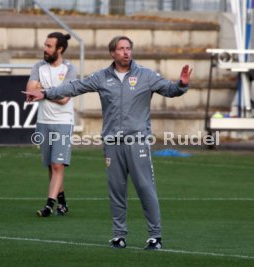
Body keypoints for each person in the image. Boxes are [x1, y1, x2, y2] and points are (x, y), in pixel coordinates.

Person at [24, 35, 192, 249]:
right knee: (116, 189)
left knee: (145, 188)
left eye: (128, 48)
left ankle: (155, 236)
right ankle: (119, 234)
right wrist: (46, 93)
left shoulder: (146, 76)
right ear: (112, 52)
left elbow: (170, 90)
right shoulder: (102, 77)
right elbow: (74, 87)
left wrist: (181, 85)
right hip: (112, 143)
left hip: (137, 141)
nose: (126, 52)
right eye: (121, 48)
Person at [26, 32, 77, 217]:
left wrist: (44, 91)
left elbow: (64, 99)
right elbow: (30, 91)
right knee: (51, 165)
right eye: (45, 45)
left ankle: (49, 205)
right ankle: (62, 202)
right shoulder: (39, 66)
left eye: (49, 46)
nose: (45, 49)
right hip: (43, 121)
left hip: (63, 122)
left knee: (57, 165)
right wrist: (50, 91)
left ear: (60, 49)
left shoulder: (69, 69)